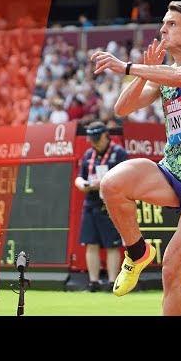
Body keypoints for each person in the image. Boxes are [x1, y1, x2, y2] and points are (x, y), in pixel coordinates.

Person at [90, 1, 181, 315]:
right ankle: (138, 252)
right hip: (171, 172)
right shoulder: (161, 74)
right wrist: (140, 75)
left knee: (171, 271)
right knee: (112, 184)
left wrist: (126, 66)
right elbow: (122, 109)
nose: (162, 29)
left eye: (171, 24)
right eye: (163, 23)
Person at [74, 121, 127, 292]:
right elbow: (79, 177)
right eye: (91, 139)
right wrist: (82, 183)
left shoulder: (118, 153)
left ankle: (113, 282)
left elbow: (125, 178)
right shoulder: (89, 154)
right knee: (91, 243)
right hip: (90, 202)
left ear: (106, 135)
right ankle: (93, 282)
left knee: (112, 244)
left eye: (97, 139)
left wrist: (104, 183)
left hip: (110, 204)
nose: (93, 142)